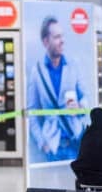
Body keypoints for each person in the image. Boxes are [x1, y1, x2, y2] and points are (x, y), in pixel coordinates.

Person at [27, 16, 89, 162]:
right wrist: (42, 143)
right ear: (45, 41)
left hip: (76, 140)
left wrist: (80, 106)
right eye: (57, 37)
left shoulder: (73, 65)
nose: (62, 41)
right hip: (53, 148)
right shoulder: (37, 72)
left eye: (62, 36)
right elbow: (31, 111)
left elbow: (86, 96)